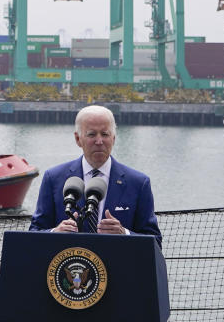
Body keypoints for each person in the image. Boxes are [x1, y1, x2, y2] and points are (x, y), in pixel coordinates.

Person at [29, 104, 161, 246]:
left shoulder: (138, 183)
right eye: (92, 134)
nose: (99, 141)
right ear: (78, 139)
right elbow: (34, 233)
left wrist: (125, 234)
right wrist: (55, 232)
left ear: (114, 138)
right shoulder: (54, 178)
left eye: (105, 134)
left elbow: (155, 242)